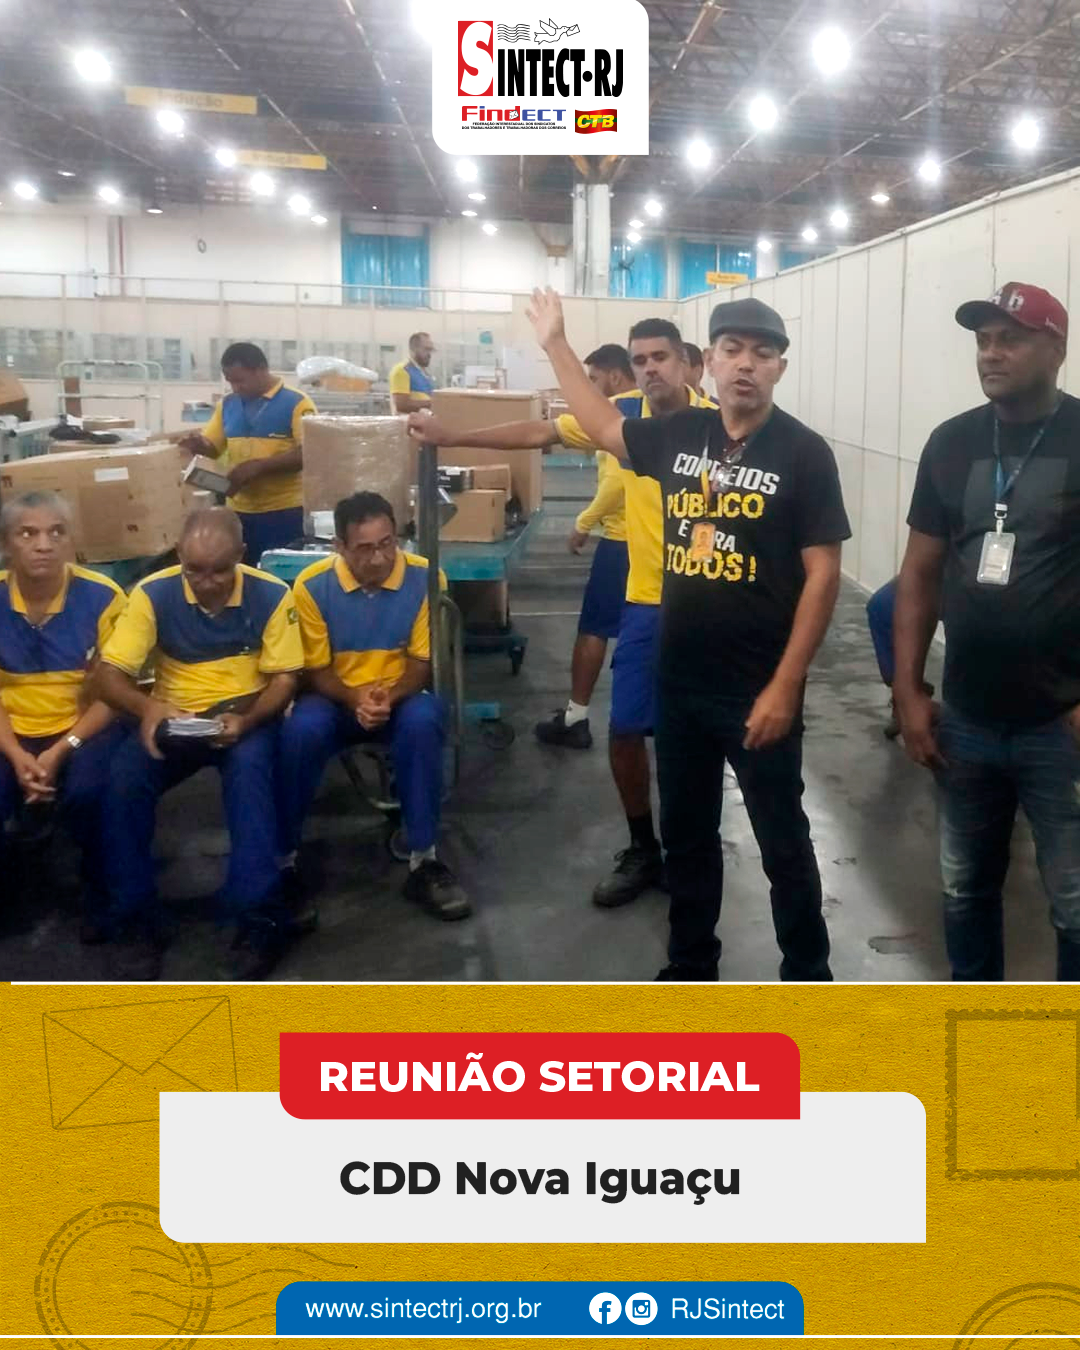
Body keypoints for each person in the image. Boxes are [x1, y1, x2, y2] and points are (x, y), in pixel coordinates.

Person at [525, 286, 850, 982]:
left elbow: (823, 574)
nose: (746, 364)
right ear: (710, 361)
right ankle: (691, 964)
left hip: (758, 690)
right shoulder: (679, 435)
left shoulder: (803, 453)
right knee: (689, 836)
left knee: (783, 842)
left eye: (763, 354)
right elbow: (601, 423)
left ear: (779, 367)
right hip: (681, 684)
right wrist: (555, 343)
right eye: (733, 349)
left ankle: (808, 976)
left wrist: (786, 685)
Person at [408, 320, 716, 909]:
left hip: (706, 607)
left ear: (685, 362)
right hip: (647, 602)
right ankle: (643, 847)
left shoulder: (718, 425)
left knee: (696, 740)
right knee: (625, 730)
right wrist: (452, 434)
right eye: (641, 359)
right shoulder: (619, 418)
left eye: (661, 357)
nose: (651, 368)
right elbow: (541, 431)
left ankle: (690, 851)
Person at [894, 281, 1080, 981]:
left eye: (1011, 339)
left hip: (1061, 725)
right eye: (983, 340)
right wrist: (908, 691)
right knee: (965, 892)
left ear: (1056, 348)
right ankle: (979, 1031)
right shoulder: (952, 442)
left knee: (1075, 904)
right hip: (966, 721)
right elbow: (918, 575)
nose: (991, 353)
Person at [98, 507, 305, 980]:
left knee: (251, 780)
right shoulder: (152, 594)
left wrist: (248, 720)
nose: (207, 582)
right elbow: (109, 676)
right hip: (173, 720)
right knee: (123, 781)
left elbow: (284, 680)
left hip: (244, 717)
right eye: (194, 570)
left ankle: (258, 918)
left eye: (219, 570)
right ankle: (134, 917)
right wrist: (149, 709)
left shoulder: (273, 595)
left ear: (242, 555)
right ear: (178, 555)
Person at [278, 491, 469, 920]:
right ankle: (283, 861)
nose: (380, 558)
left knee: (424, 721)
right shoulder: (311, 586)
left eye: (387, 543)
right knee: (299, 732)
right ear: (339, 547)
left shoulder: (426, 578)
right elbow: (316, 670)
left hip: (399, 696)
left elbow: (422, 662)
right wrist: (356, 699)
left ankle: (425, 860)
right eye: (364, 549)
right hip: (337, 699)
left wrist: (387, 697)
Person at [0, 491, 127, 938]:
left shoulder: (103, 597)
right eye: (28, 533)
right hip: (12, 729)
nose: (44, 545)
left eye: (57, 532)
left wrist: (59, 750)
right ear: (6, 544)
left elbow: (115, 695)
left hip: (84, 727)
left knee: (91, 792)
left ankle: (101, 892)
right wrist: (17, 754)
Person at [544, 344, 634, 750]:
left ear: (614, 376)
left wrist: (583, 523)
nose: (592, 387)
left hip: (622, 542)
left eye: (594, 379)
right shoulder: (650, 411)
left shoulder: (617, 414)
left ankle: (576, 717)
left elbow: (615, 483)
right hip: (648, 540)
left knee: (595, 628)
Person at [179, 342, 316, 563]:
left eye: (240, 380)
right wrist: (198, 445)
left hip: (284, 512)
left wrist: (259, 467)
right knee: (239, 572)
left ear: (261, 369)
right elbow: (213, 447)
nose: (235, 388)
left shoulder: (297, 403)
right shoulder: (228, 405)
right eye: (230, 381)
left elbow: (309, 453)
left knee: (277, 571)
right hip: (237, 513)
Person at [390, 333, 437, 413]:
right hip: (408, 420)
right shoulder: (402, 370)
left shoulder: (425, 374)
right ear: (414, 349)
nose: (429, 354)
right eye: (426, 349)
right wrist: (435, 403)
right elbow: (401, 405)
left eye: (431, 350)